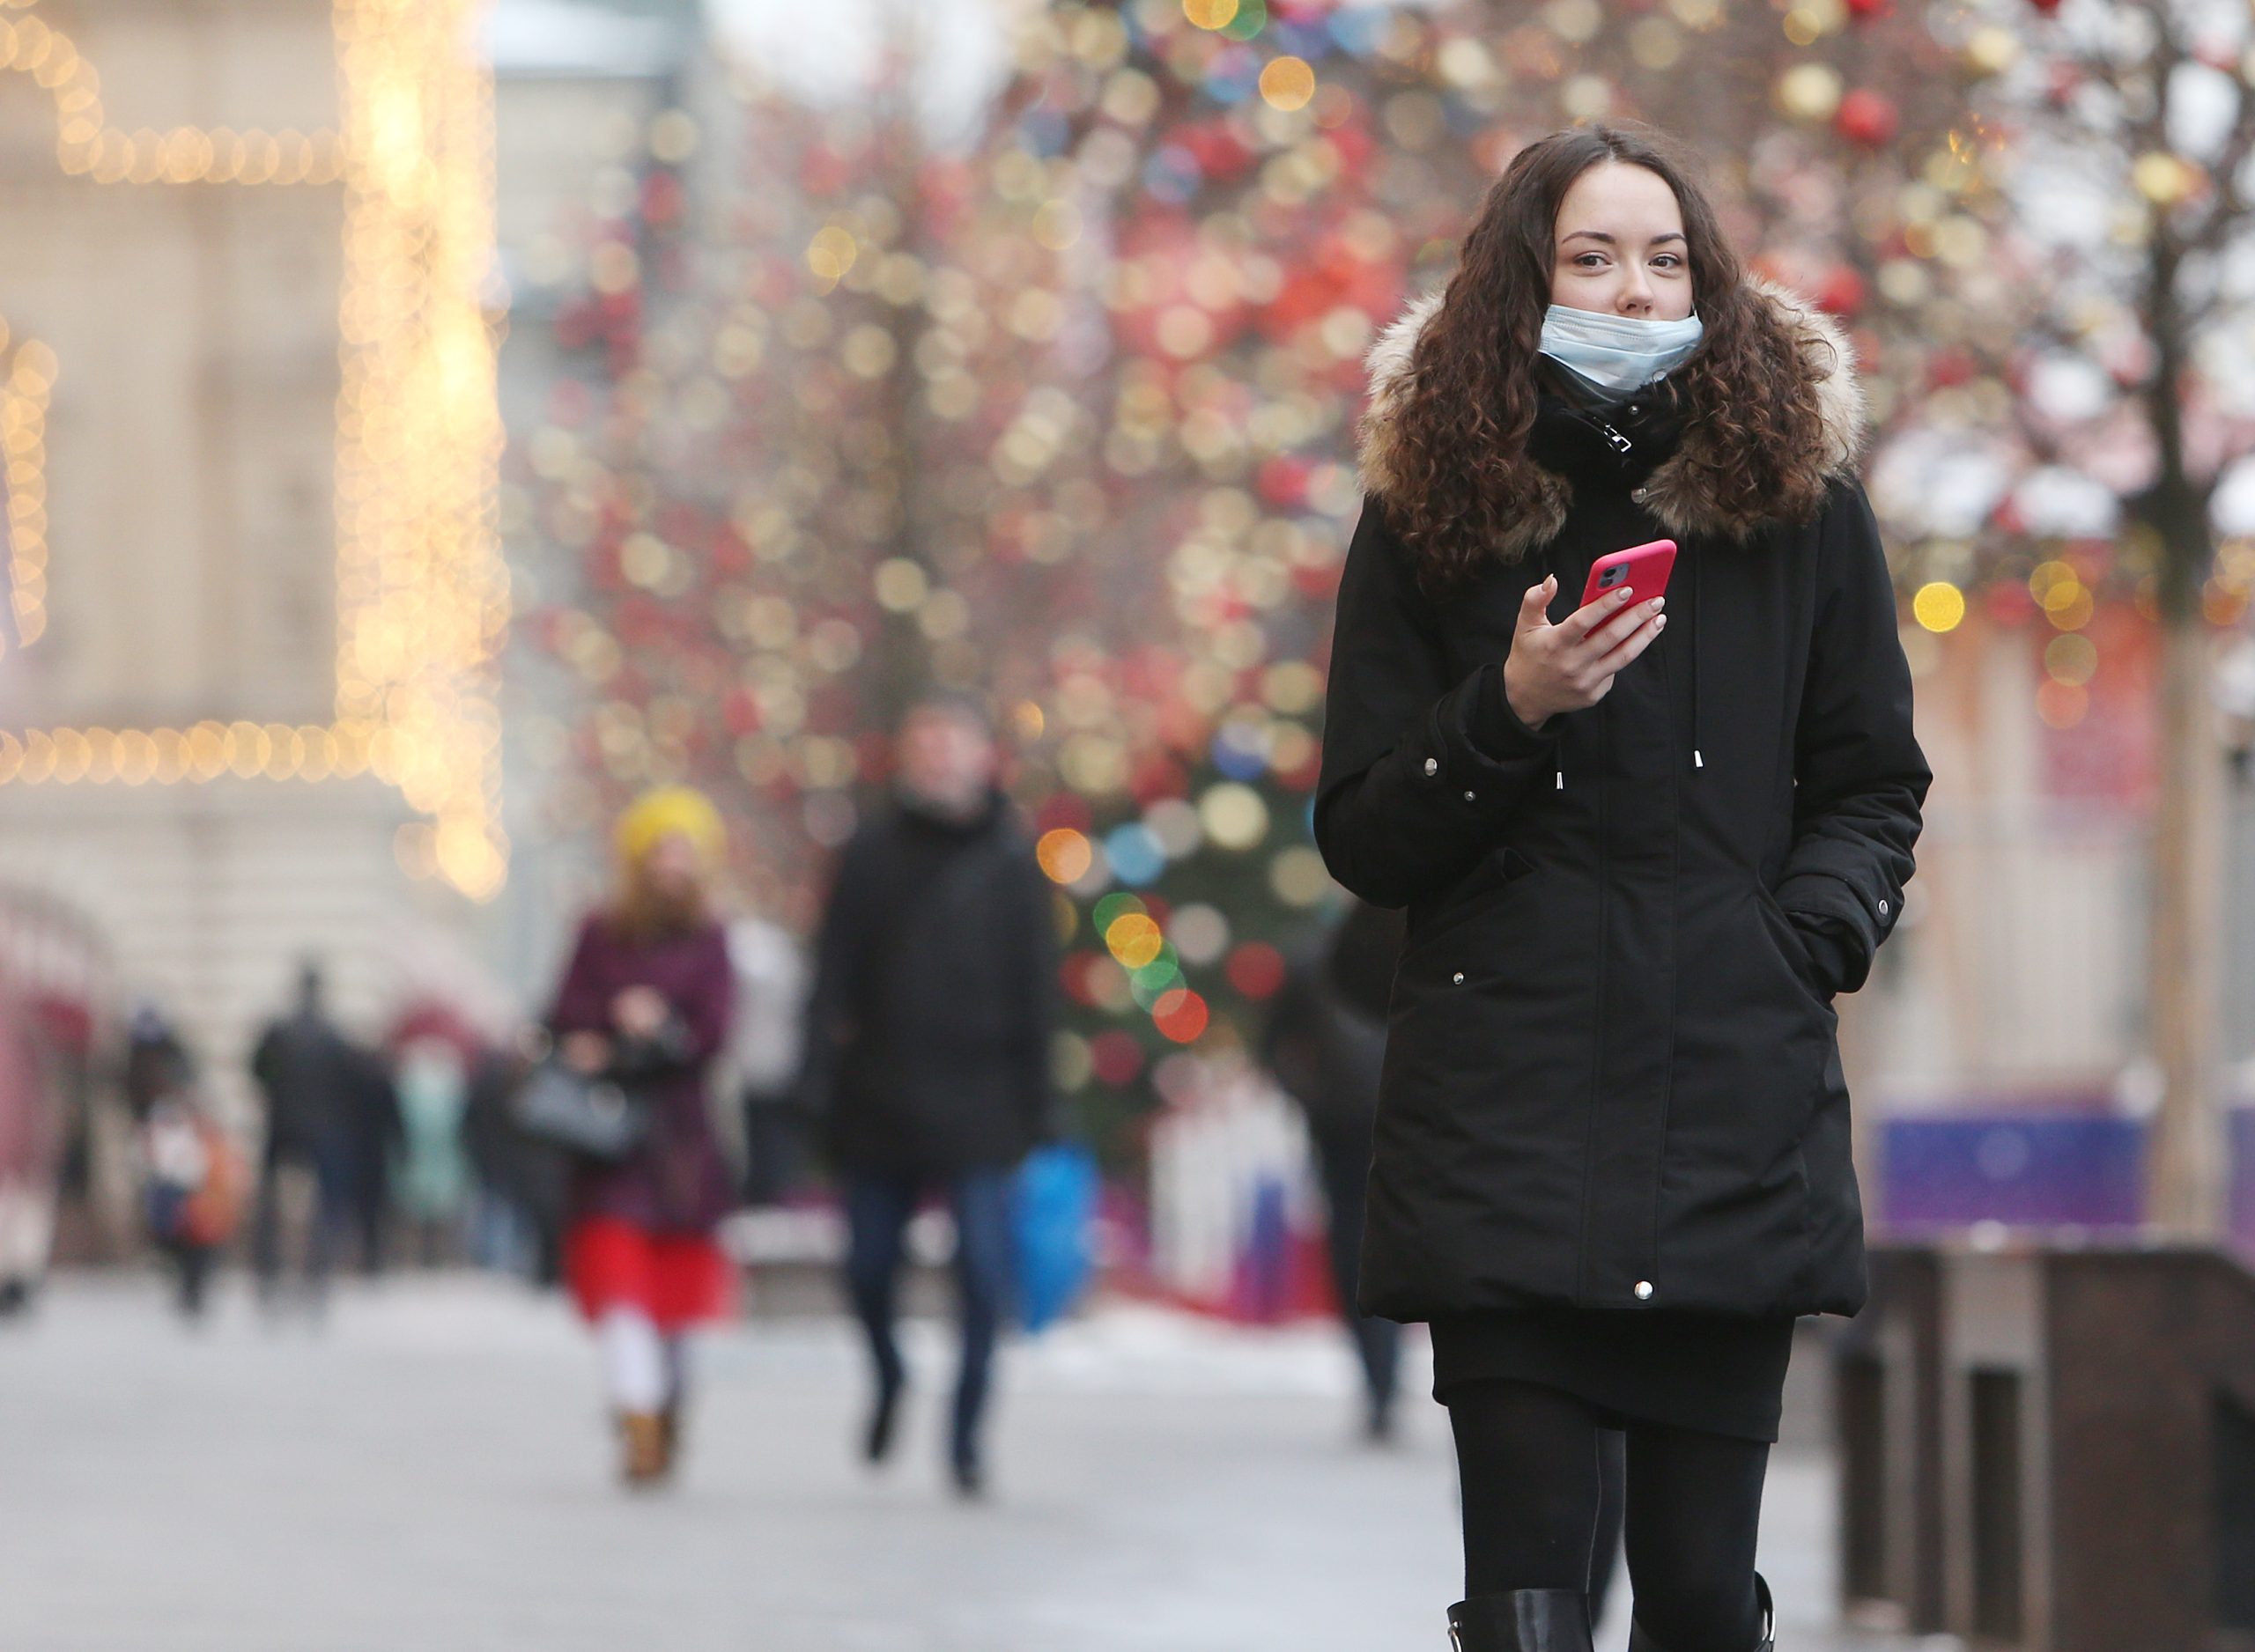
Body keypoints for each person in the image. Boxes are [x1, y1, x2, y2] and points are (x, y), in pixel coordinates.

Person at [1316, 123, 1929, 1652]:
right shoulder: (1432, 509)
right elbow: (1364, 834)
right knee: (1528, 1594)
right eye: (1591, 258)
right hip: (1503, 1111)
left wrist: (1803, 944)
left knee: (1706, 1595)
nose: (1634, 291)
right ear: (1525, 285)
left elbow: (1872, 780)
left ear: (1708, 280)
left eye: (1664, 259)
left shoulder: (1797, 500)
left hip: (1730, 1098)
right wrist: (1505, 709)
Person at [799, 695, 1058, 1500]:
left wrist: (1037, 1107)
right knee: (868, 1268)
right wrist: (814, 1080)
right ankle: (888, 1373)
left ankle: (967, 1435)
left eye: (955, 744)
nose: (940, 759)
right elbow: (830, 969)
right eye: (927, 745)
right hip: (881, 1092)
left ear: (985, 757)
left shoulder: (1017, 862)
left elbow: (1038, 994)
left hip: (981, 1099)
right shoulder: (870, 851)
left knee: (984, 1275)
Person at [549, 786, 736, 1487]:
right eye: (660, 850)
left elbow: (715, 1034)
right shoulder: (600, 934)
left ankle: (668, 1404)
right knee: (620, 1278)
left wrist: (662, 1028)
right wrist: (604, 1026)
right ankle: (637, 1420)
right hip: (611, 1135)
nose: (670, 866)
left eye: (683, 852)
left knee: (678, 1297)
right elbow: (563, 1013)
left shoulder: (712, 940)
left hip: (682, 1142)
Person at [248, 962, 361, 1311]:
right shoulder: (333, 1036)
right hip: (323, 1128)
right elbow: (349, 1086)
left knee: (270, 1202)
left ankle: (269, 1270)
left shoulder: (279, 1032)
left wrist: (277, 1095)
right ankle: (318, 1271)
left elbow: (258, 1071)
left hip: (283, 1124)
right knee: (324, 1205)